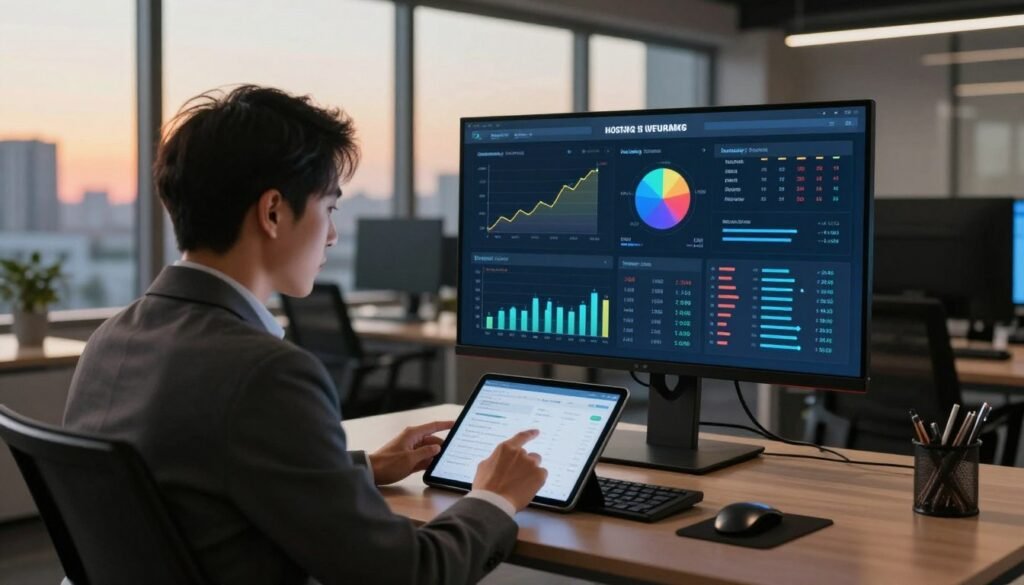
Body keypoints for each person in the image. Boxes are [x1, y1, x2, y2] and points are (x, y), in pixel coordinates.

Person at [63, 85, 548, 585]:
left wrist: (356, 469)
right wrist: (494, 496)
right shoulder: (266, 373)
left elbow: (202, 481)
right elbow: (407, 575)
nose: (333, 235)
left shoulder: (112, 338)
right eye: (330, 208)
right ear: (273, 212)